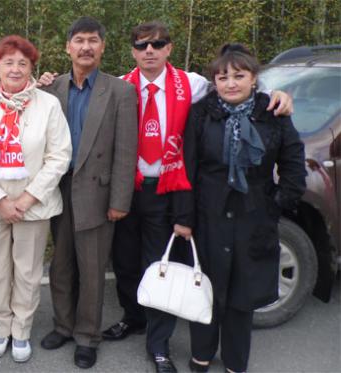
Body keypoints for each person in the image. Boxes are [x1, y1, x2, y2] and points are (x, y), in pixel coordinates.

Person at [100, 22, 294, 373]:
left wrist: (280, 95)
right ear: (132, 51)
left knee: (160, 266)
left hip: (170, 188)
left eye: (157, 44)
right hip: (129, 187)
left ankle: (158, 346)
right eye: (142, 45)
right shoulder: (118, 87)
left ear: (169, 48)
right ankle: (134, 317)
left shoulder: (192, 84)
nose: (149, 50)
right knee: (126, 263)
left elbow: (239, 86)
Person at [182, 43, 306, 373]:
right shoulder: (201, 113)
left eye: (239, 75)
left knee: (241, 293)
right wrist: (184, 217)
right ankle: (202, 353)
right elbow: (187, 166)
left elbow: (294, 165)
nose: (230, 83)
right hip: (208, 214)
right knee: (205, 288)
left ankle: (236, 360)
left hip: (254, 216)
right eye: (223, 77)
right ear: (215, 81)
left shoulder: (273, 114)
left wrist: (276, 203)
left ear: (254, 78)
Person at [37, 17, 138, 369]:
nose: (85, 47)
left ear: (102, 47)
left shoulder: (121, 91)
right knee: (61, 265)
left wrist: (119, 202)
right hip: (58, 190)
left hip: (97, 193)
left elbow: (126, 152)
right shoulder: (51, 88)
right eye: (78, 40)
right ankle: (63, 326)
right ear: (68, 47)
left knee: (92, 270)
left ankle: (87, 336)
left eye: (93, 40)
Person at [0, 35, 71, 363]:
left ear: (31, 68)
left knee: (27, 271)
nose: (15, 68)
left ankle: (21, 330)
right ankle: (1, 327)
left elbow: (59, 156)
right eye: (8, 62)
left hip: (33, 205)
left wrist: (26, 199)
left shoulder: (48, 105)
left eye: (22, 63)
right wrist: (0, 201)